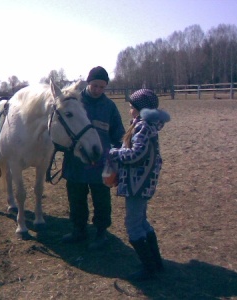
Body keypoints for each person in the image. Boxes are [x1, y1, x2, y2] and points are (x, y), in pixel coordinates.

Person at [108, 89, 170, 281]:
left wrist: (112, 154)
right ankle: (156, 263)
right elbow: (135, 149)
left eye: (131, 107)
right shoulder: (147, 124)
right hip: (144, 181)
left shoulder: (142, 126)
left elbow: (135, 154)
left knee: (133, 224)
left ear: (139, 109)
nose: (129, 110)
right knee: (142, 221)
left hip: (138, 182)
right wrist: (118, 149)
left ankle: (148, 268)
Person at [61, 66, 125, 250]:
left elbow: (118, 133)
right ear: (88, 83)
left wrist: (117, 155)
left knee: (101, 200)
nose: (97, 90)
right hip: (76, 163)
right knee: (76, 197)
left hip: (100, 164)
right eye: (95, 85)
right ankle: (78, 230)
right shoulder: (75, 101)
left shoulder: (109, 107)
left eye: (102, 87)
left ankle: (101, 232)